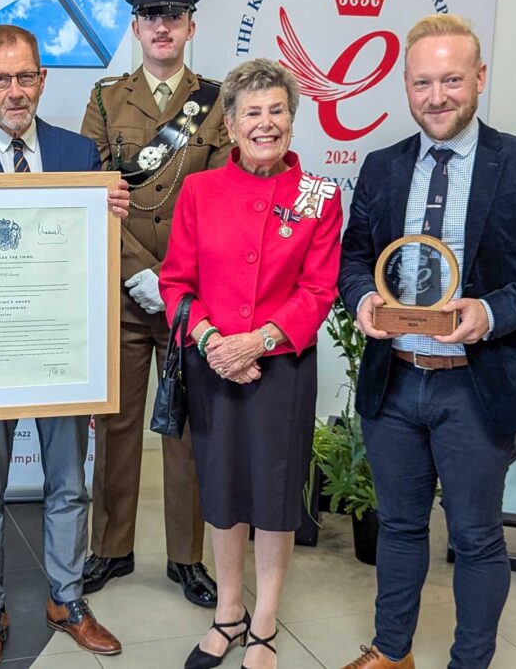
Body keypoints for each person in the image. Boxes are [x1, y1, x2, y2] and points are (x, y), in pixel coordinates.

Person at [337, 14, 516, 669]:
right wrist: (362, 298)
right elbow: (354, 255)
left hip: (477, 384)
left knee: (477, 536)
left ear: (479, 78)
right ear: (406, 86)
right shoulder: (382, 167)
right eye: (422, 82)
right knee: (397, 524)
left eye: (452, 79)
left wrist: (492, 310)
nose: (437, 96)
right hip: (395, 378)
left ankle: (468, 662)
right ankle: (392, 651)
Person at [0, 25, 129, 669]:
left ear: (43, 79)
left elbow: (91, 263)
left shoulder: (78, 155)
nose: (16, 90)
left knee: (69, 484)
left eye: (27, 76)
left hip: (61, 351)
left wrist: (109, 213)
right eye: (1, 79)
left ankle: (67, 598)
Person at [159, 58, 343, 669]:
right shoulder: (199, 190)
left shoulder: (320, 195)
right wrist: (216, 342)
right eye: (252, 113)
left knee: (273, 494)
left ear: (293, 119)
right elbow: (176, 282)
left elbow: (318, 292)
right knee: (223, 489)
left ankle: (263, 620)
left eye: (278, 111)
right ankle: (228, 611)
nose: (266, 123)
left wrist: (257, 342)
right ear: (231, 126)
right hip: (213, 363)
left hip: (281, 369)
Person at [79, 0, 230, 608]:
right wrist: (138, 272)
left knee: (188, 431)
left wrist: (174, 284)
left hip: (192, 295)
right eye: (151, 17)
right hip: (123, 288)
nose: (162, 28)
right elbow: (90, 194)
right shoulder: (106, 99)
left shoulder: (217, 101)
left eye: (174, 16)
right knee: (116, 425)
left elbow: (224, 198)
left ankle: (186, 557)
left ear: (192, 25)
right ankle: (111, 547)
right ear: (136, 26)